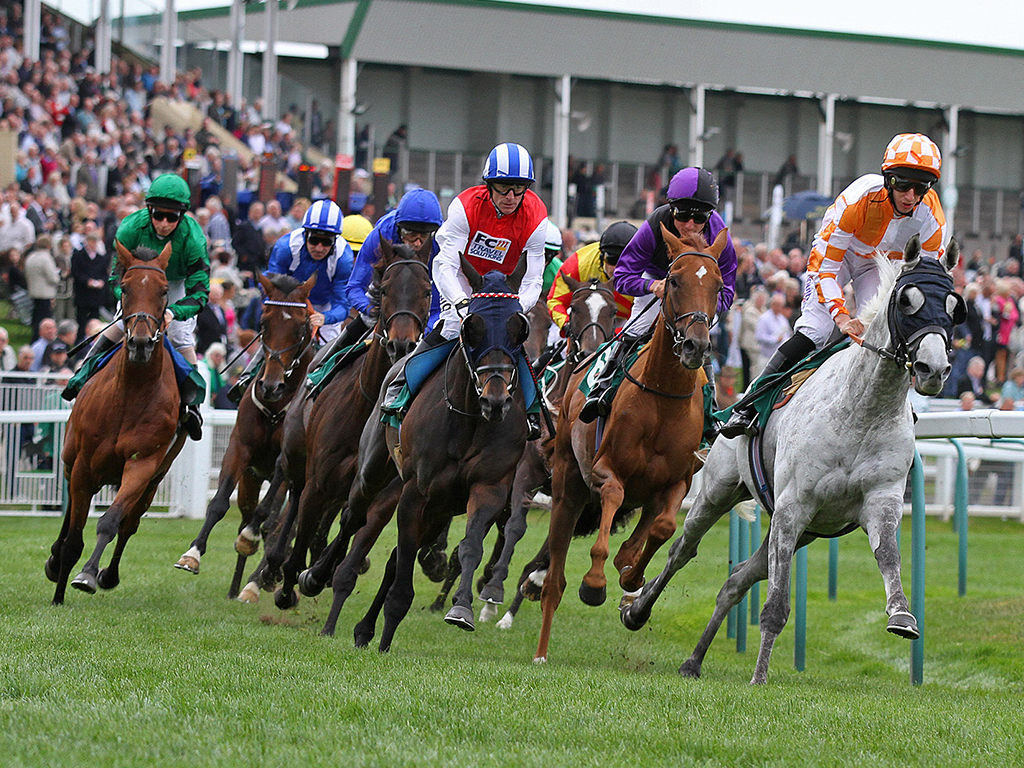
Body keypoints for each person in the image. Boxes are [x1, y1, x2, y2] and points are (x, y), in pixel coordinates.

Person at [721, 133, 948, 437]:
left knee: (887, 331)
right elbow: (826, 268)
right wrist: (840, 315)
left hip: (876, 262)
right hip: (836, 258)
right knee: (816, 331)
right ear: (887, 179)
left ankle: (897, 406)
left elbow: (923, 279)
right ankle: (747, 405)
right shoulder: (858, 200)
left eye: (919, 188)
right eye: (901, 184)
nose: (909, 195)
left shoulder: (933, 216)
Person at [380, 142, 549, 438]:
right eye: (503, 188)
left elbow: (534, 278)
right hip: (463, 284)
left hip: (506, 292)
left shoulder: (536, 214)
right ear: (488, 185)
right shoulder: (465, 206)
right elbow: (445, 263)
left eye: (519, 188)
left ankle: (533, 413)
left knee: (511, 337)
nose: (511, 197)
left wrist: (515, 309)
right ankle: (401, 388)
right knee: (450, 329)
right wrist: (460, 302)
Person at [581, 167, 737, 422]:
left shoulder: (721, 237)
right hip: (657, 282)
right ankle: (602, 388)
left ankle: (711, 414)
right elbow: (621, 277)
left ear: (710, 215)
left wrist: (704, 302)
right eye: (683, 214)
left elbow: (728, 290)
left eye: (699, 218)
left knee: (700, 338)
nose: (690, 225)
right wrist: (651, 287)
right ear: (671, 208)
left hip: (695, 295)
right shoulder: (654, 225)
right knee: (635, 328)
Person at [63, 173, 211, 440]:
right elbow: (114, 278)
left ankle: (193, 405)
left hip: (176, 284)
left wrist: (172, 312)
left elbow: (200, 291)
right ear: (149, 210)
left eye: (172, 217)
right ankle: (82, 375)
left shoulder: (194, 238)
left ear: (182, 215)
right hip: (138, 281)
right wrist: (133, 301)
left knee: (179, 334)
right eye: (158, 215)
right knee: (122, 323)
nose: (164, 223)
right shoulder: (129, 228)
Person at [265, 198, 353, 343]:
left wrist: (326, 317)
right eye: (314, 240)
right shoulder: (285, 248)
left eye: (326, 242)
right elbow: (272, 288)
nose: (319, 248)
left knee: (329, 353)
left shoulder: (343, 258)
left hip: (324, 307)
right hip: (288, 304)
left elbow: (342, 305)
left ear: (335, 241)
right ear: (305, 234)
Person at [546, 220, 635, 334]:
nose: (618, 269)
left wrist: (617, 335)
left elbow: (649, 317)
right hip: (586, 319)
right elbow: (555, 301)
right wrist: (567, 324)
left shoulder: (646, 270)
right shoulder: (578, 264)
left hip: (630, 318)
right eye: (613, 260)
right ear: (602, 256)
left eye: (626, 262)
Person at [70, 230, 111, 337]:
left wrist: (102, 282)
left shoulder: (100, 258)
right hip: (83, 293)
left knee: (95, 317)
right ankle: (81, 338)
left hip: (96, 295)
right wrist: (87, 281)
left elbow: (104, 273)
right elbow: (76, 272)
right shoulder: (78, 256)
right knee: (81, 319)